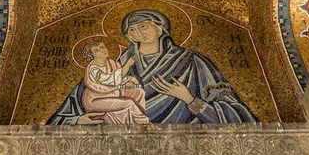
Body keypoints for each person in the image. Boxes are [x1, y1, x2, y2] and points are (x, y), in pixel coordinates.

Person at [47, 10, 258, 125]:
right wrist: (76, 120)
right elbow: (79, 100)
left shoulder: (192, 61)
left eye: (143, 26)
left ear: (159, 29)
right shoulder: (115, 65)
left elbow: (237, 116)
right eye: (131, 30)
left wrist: (189, 99)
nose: (136, 32)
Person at [80, 41, 149, 124]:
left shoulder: (112, 63)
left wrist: (130, 83)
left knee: (139, 91)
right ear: (91, 55)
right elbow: (110, 80)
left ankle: (138, 116)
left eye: (102, 47)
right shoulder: (93, 69)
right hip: (96, 99)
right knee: (129, 103)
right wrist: (127, 65)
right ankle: (142, 122)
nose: (102, 50)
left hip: (113, 93)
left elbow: (119, 78)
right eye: (96, 50)